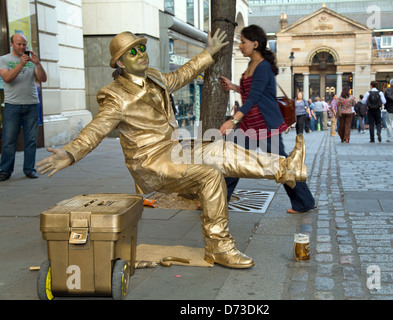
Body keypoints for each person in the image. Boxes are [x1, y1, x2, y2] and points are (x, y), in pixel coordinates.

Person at [36, 30, 308, 269]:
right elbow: (96, 129)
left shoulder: (154, 77)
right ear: (120, 62)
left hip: (173, 148)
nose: (141, 54)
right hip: (151, 163)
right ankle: (220, 248)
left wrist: (209, 52)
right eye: (133, 52)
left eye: (141, 47)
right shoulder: (114, 95)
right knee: (210, 175)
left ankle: (287, 168)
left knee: (220, 149)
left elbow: (183, 73)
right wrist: (70, 153)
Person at [218, 25, 315, 215]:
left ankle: (305, 201)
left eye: (243, 42)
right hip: (249, 126)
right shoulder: (251, 65)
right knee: (233, 161)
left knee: (281, 165)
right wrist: (234, 87)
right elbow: (251, 92)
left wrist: (232, 121)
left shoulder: (262, 66)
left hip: (264, 126)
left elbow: (254, 97)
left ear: (255, 44)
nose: (240, 46)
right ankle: (219, 200)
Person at [0, 34, 47, 181]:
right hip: (13, 105)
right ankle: (5, 171)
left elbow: (43, 79)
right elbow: (7, 78)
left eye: (24, 44)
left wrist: (37, 64)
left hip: (32, 104)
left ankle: (29, 169)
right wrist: (21, 64)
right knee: (9, 140)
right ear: (12, 44)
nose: (22, 47)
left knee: (31, 139)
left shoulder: (31, 60)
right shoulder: (4, 60)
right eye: (19, 44)